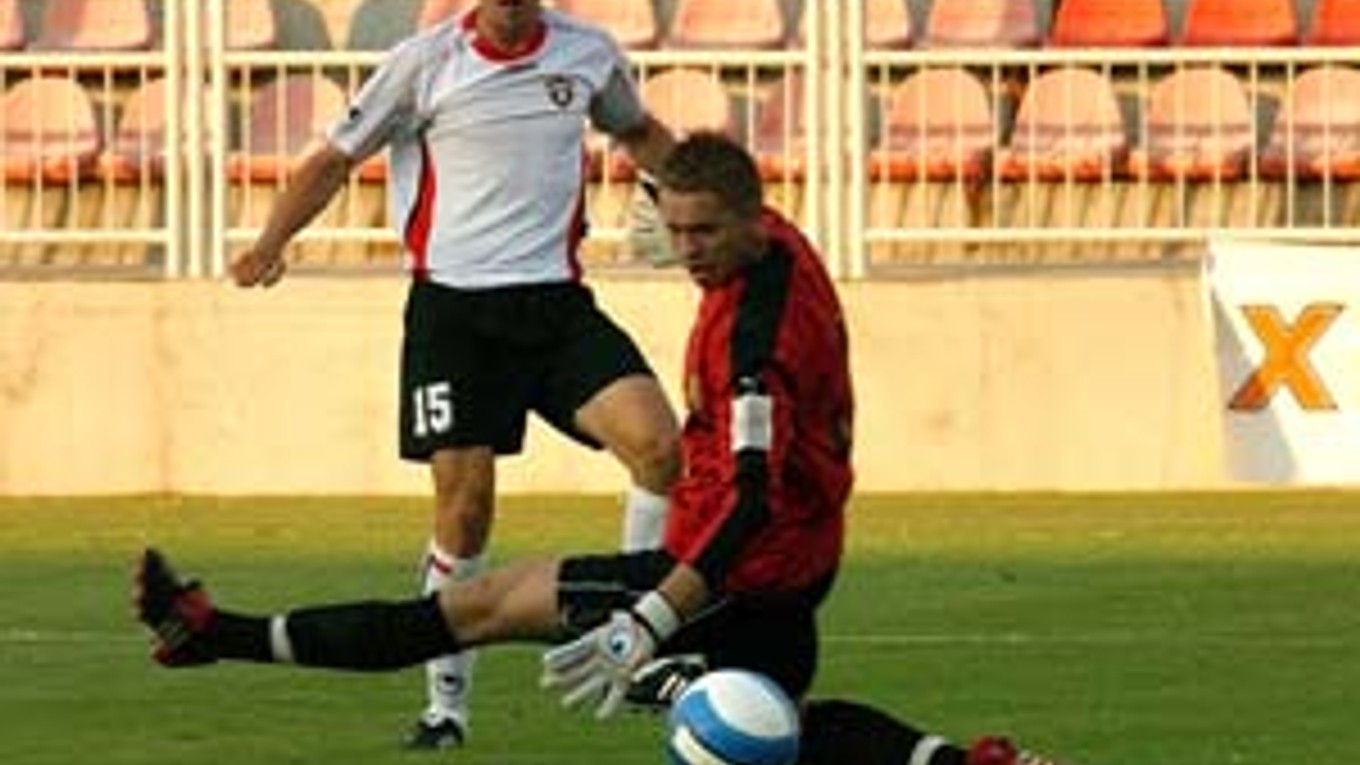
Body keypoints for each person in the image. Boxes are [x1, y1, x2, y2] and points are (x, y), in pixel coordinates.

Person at [137, 134, 1066, 765]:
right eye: (680, 226)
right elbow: (696, 179)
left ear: (750, 218)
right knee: (775, 724)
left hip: (733, 560)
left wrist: (651, 617)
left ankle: (213, 632)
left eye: (707, 232)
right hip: (789, 562)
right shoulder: (774, 241)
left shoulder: (759, 350)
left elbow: (747, 504)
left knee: (475, 607)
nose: (690, 248)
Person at [227, 0, 682, 749]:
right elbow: (338, 157)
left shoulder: (588, 53)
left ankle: (634, 642)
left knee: (661, 448)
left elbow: (637, 130)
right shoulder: (424, 62)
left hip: (556, 306)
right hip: (454, 316)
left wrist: (714, 196)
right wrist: (271, 240)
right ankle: (447, 707)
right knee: (465, 511)